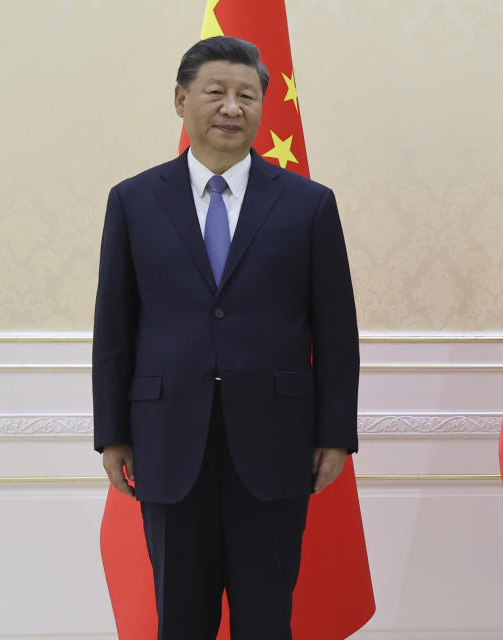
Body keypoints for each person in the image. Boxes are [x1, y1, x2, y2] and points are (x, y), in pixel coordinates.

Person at [92, 36, 359, 639]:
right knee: (181, 618)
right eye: (216, 92)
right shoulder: (134, 201)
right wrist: (112, 433)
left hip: (276, 442)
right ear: (182, 99)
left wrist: (335, 435)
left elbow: (337, 331)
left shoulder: (308, 205)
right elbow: (115, 326)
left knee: (266, 617)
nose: (232, 107)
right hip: (166, 440)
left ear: (265, 105)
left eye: (247, 95)